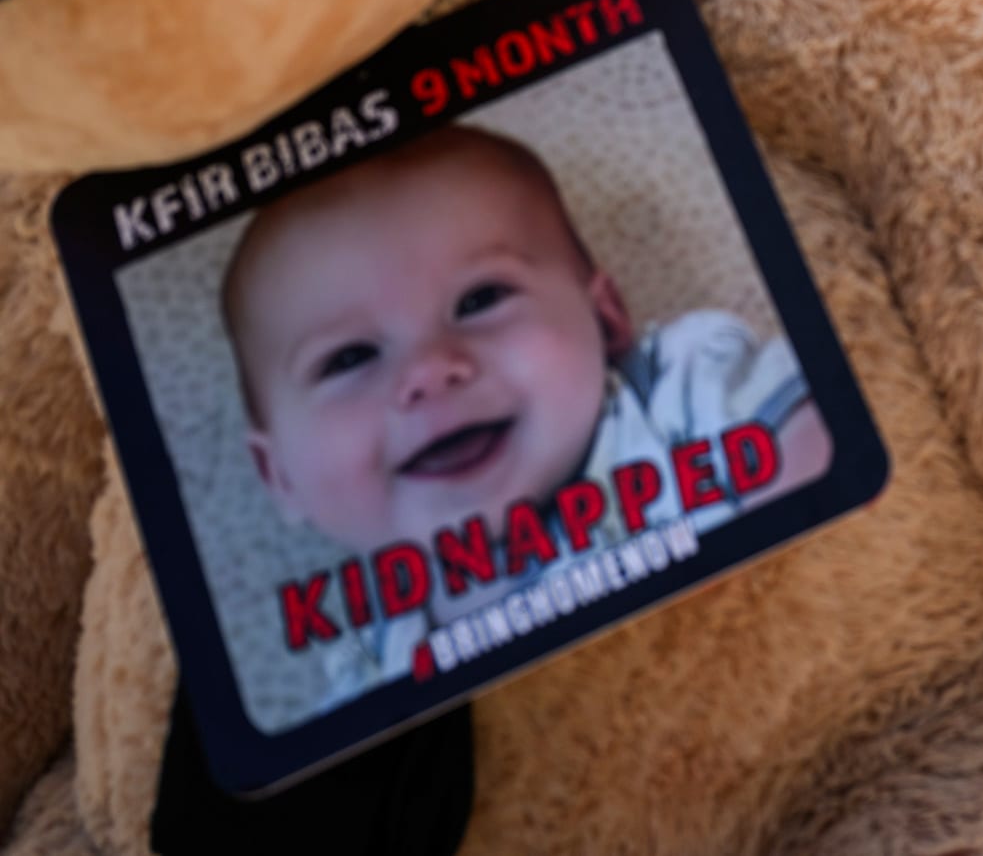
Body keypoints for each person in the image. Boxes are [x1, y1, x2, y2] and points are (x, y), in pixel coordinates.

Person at [220, 125, 830, 709]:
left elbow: (828, 460)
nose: (431, 371)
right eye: (349, 358)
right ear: (279, 476)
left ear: (606, 321)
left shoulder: (679, 393)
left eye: (480, 300)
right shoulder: (369, 647)